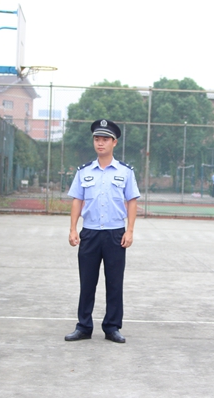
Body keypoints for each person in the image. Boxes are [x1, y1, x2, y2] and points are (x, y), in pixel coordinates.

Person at [65, 119, 140, 343]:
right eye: (97, 139)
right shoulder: (84, 171)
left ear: (114, 142)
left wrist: (130, 231)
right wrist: (73, 229)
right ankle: (83, 326)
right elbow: (77, 200)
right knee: (87, 282)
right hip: (90, 233)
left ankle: (112, 327)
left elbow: (132, 201)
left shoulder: (125, 172)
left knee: (114, 283)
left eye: (105, 139)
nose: (100, 143)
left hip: (115, 234)